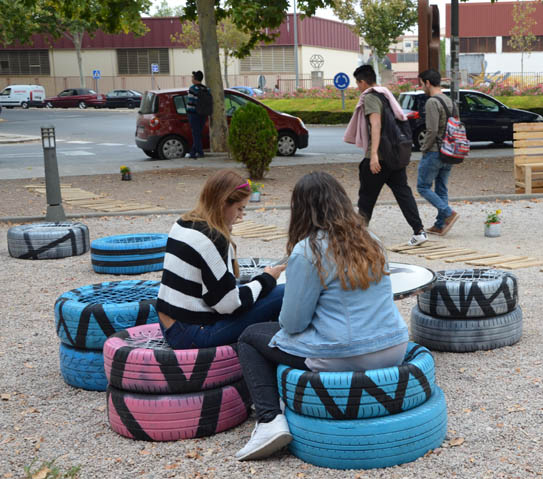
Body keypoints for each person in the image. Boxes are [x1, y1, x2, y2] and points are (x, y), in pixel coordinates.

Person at [234, 171, 410, 461]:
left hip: (348, 353)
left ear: (301, 209)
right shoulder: (371, 239)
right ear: (341, 201)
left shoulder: (308, 250)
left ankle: (269, 421)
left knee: (251, 337)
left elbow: (293, 323)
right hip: (394, 347)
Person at [156, 169, 286, 349]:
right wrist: (266, 280)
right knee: (284, 292)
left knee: (254, 289)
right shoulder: (213, 238)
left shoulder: (182, 224)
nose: (241, 216)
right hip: (193, 334)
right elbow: (228, 304)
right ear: (223, 203)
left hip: (169, 325)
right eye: (239, 208)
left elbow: (213, 291)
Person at [343, 65, 428, 246]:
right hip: (394, 155)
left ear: (363, 82)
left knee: (366, 197)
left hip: (380, 157)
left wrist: (373, 155)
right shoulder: (386, 95)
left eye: (357, 83)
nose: (357, 87)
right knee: (403, 193)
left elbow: (376, 125)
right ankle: (419, 231)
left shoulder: (371, 97)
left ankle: (358, 237)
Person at [416, 69, 460, 236]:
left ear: (427, 83)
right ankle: (441, 224)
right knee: (441, 188)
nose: (421, 87)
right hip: (449, 151)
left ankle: (448, 213)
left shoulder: (432, 102)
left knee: (423, 186)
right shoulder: (450, 101)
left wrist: (424, 148)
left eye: (421, 83)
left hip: (435, 151)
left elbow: (431, 130)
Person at [186, 70, 208, 158]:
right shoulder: (205, 88)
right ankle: (192, 152)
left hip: (194, 114)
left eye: (192, 77)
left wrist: (188, 113)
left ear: (195, 79)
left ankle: (200, 152)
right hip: (203, 114)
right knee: (198, 133)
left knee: (196, 134)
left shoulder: (192, 88)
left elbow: (190, 102)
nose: (191, 79)